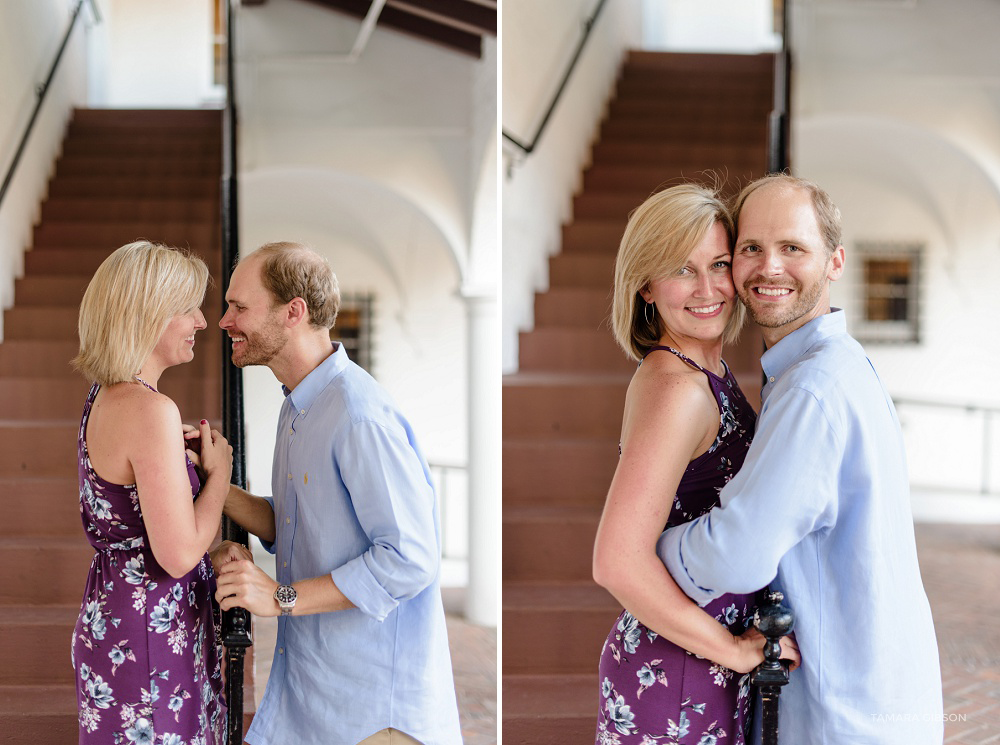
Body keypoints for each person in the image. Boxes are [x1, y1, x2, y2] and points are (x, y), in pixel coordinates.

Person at [657, 174, 943, 743]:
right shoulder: (836, 366)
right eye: (751, 249)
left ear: (834, 261)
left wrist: (655, 546)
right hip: (884, 694)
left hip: (846, 713)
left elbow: (736, 555)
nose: (769, 267)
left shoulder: (813, 390)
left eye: (793, 247)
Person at [208, 242, 462, 745]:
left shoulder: (358, 414)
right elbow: (299, 524)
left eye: (238, 306)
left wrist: (277, 596)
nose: (223, 321)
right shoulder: (298, 405)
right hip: (315, 699)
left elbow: (410, 559)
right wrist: (215, 482)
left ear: (293, 312)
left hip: (374, 716)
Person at [592, 184, 799, 745]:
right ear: (646, 285)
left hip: (697, 660)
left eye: (720, 264)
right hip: (677, 673)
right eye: (683, 269)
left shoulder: (702, 370)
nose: (709, 289)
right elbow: (616, 562)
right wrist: (732, 650)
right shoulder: (675, 387)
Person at [70, 241, 239, 744]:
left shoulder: (104, 396)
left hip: (119, 616)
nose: (203, 322)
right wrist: (220, 475)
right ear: (147, 316)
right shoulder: (150, 410)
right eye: (187, 308)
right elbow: (180, 554)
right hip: (149, 639)